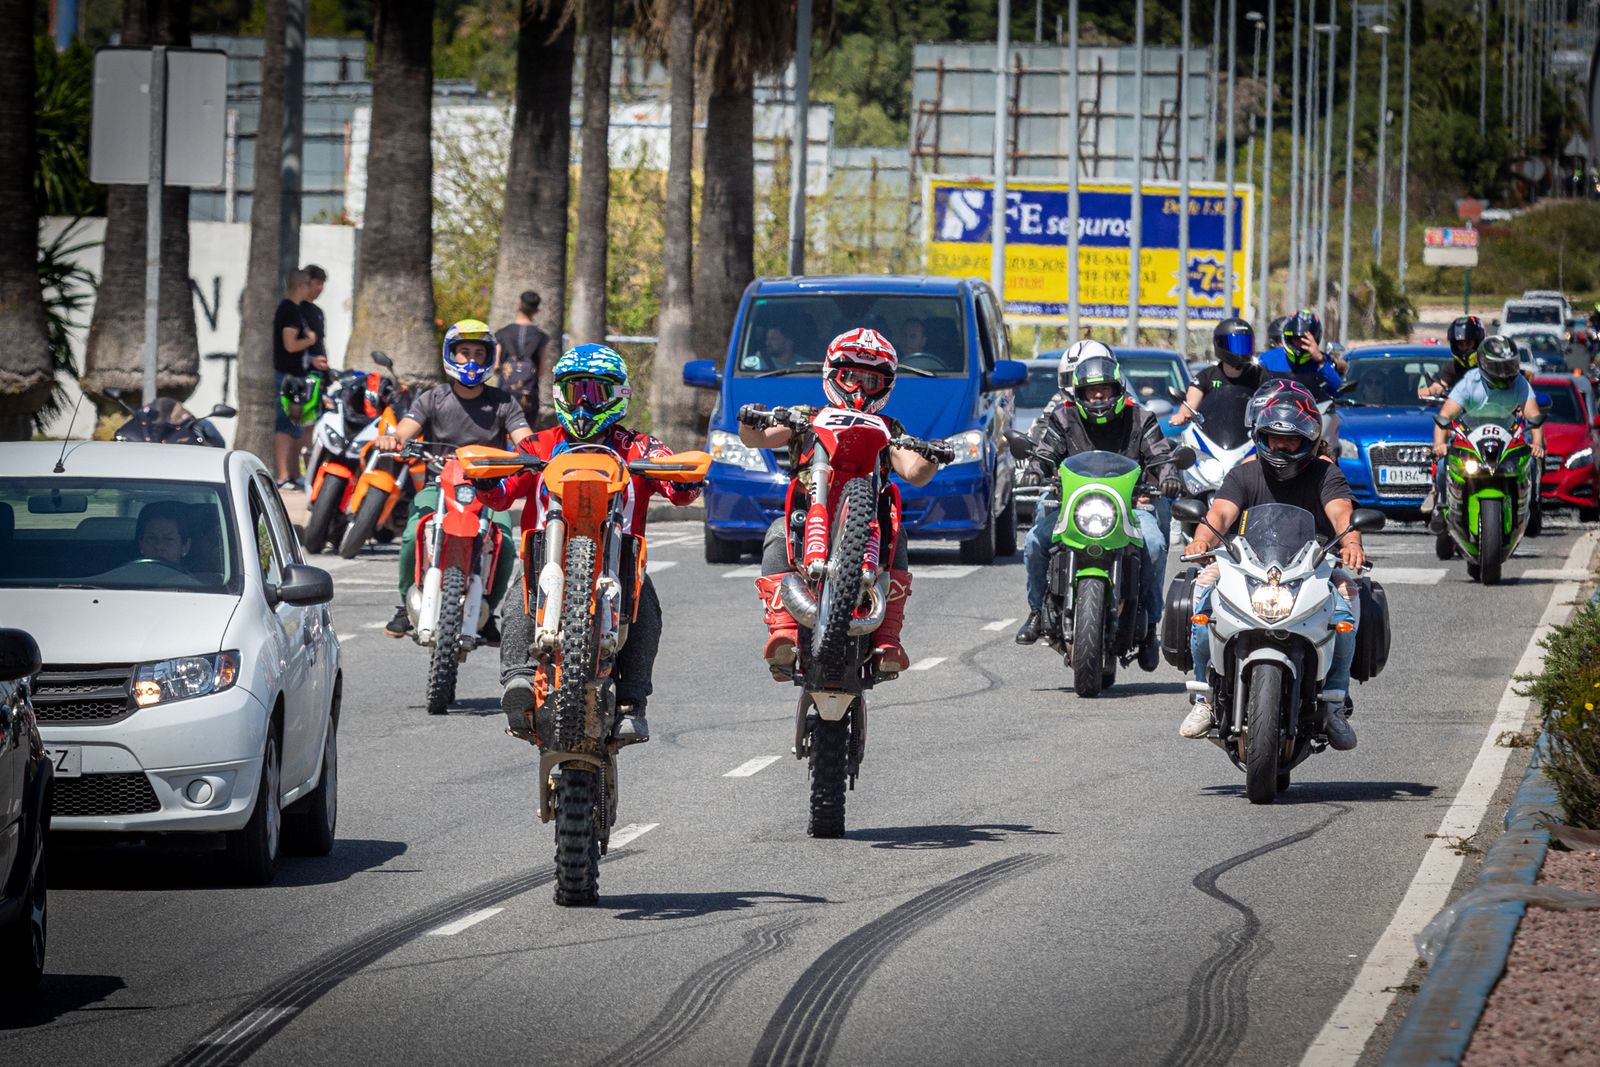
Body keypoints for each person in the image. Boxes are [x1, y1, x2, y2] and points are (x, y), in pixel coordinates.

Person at [486, 344, 699, 745]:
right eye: (574, 392)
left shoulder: (636, 446)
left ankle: (633, 703)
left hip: (619, 562)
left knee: (647, 603)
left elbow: (678, 487)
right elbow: (501, 492)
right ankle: (518, 677)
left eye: (595, 393)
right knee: (519, 591)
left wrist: (685, 477)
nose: (583, 403)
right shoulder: (539, 444)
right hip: (546, 561)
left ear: (618, 395)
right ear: (558, 395)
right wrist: (486, 480)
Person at [743, 328, 938, 677]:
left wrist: (932, 455)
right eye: (851, 377)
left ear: (887, 385)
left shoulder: (889, 427)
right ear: (833, 375)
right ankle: (783, 631)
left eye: (871, 380)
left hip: (868, 523)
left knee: (900, 537)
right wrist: (752, 419)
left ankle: (888, 639)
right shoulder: (807, 415)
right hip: (809, 514)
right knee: (776, 533)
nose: (860, 388)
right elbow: (757, 438)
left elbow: (913, 471)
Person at [1178, 391, 1364, 750]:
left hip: (1311, 568)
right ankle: (1203, 699)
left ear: (1307, 440)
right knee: (1202, 602)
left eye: (1291, 439)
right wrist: (1201, 540)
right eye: (1274, 438)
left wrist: (1351, 544)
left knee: (1346, 603)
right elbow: (1218, 514)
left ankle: (1335, 703)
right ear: (1261, 437)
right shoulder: (1244, 474)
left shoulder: (1327, 474)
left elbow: (1342, 514)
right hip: (1243, 566)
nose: (1281, 446)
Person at [375, 319, 534, 640]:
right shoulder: (433, 398)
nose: (471, 360)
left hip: (487, 490)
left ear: (489, 357)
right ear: (451, 354)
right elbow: (406, 428)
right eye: (464, 353)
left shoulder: (504, 402)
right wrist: (392, 438)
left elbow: (525, 440)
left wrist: (534, 452)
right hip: (438, 487)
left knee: (503, 542)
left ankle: (487, 608)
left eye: (479, 353)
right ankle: (406, 604)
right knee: (411, 534)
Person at [1015, 350, 1180, 647]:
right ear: (1079, 394)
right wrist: (1035, 471)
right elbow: (1045, 451)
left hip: (1129, 509)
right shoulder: (1063, 417)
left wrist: (1169, 476)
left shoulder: (1141, 419)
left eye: (1105, 389)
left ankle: (1151, 621)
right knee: (1033, 541)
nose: (1099, 396)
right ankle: (1037, 610)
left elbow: (1161, 454)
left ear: (1119, 390)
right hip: (1073, 508)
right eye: (1091, 391)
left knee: (1154, 545)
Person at [1429, 335, 1546, 533]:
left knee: (1532, 462)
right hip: (1470, 440)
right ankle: (1442, 506)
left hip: (1507, 440)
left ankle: (1532, 506)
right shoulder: (1469, 382)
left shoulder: (1520, 383)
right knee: (1442, 464)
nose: (1505, 373)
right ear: (1483, 365)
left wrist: (1537, 444)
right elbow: (1445, 414)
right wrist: (1439, 444)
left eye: (1509, 366)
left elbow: (1533, 414)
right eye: (1499, 368)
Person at [1169, 318, 1265, 442]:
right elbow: (1191, 402)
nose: (1240, 351)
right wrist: (1182, 414)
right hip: (1213, 440)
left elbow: (1276, 396)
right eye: (1235, 345)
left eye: (1244, 344)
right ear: (1219, 344)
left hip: (1250, 439)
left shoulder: (1260, 375)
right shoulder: (1205, 376)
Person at [273, 270, 318, 489]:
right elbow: (290, 345)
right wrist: (309, 341)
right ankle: (283, 476)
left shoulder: (296, 310)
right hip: (287, 377)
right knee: (284, 425)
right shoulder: (289, 310)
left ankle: (292, 474)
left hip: (296, 376)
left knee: (295, 426)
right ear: (302, 285)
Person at [495, 290, 552, 428]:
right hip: (529, 395)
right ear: (537, 311)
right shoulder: (541, 337)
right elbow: (541, 371)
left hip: (505, 394)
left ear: (518, 306)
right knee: (526, 432)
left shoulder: (502, 333)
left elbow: (496, 366)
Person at [300, 264, 331, 389]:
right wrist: (310, 360)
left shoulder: (318, 312)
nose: (320, 288)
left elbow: (320, 342)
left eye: (322, 284)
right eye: (317, 283)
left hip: (319, 376)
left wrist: (326, 371)